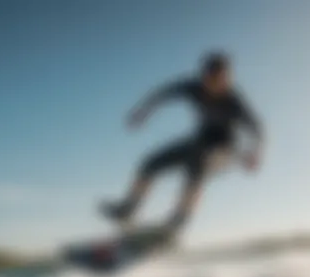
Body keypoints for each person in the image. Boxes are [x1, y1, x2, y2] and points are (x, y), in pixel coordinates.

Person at [101, 51, 264, 232]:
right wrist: (143, 111)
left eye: (222, 81)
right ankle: (127, 209)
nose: (217, 86)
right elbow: (162, 93)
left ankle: (176, 224)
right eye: (212, 80)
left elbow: (258, 130)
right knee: (150, 163)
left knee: (199, 164)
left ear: (228, 78)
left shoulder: (235, 101)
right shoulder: (194, 88)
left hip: (226, 150)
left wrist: (256, 154)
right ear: (204, 77)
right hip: (200, 142)